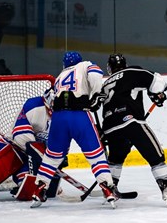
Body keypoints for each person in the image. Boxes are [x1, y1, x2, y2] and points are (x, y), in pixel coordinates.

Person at [28, 51, 119, 208]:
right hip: (79, 116)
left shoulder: (58, 78)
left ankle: (39, 189)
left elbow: (48, 101)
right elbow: (96, 73)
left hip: (58, 119)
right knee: (95, 154)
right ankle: (108, 189)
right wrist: (97, 95)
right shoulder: (84, 65)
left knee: (52, 156)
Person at [101, 53, 167, 207]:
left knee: (116, 158)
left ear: (109, 68)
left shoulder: (105, 83)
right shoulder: (132, 71)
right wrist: (156, 95)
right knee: (155, 154)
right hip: (130, 121)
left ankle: (111, 190)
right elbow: (158, 82)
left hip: (110, 127)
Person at [0, 88, 64, 201]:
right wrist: (40, 156)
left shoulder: (64, 115)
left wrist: (57, 157)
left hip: (35, 156)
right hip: (13, 148)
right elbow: (21, 138)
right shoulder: (33, 106)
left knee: (29, 183)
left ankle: (27, 180)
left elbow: (61, 141)